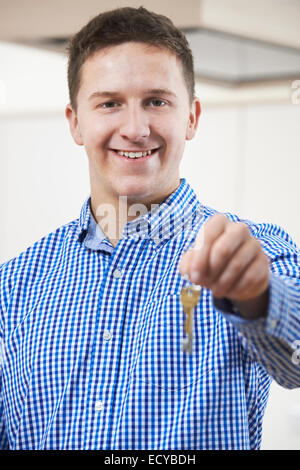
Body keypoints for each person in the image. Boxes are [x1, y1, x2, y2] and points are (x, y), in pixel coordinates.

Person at [0, 6, 299, 451]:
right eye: (109, 103)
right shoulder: (14, 284)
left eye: (157, 101)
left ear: (192, 117)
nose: (135, 129)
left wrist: (258, 295)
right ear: (75, 122)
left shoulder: (254, 253)